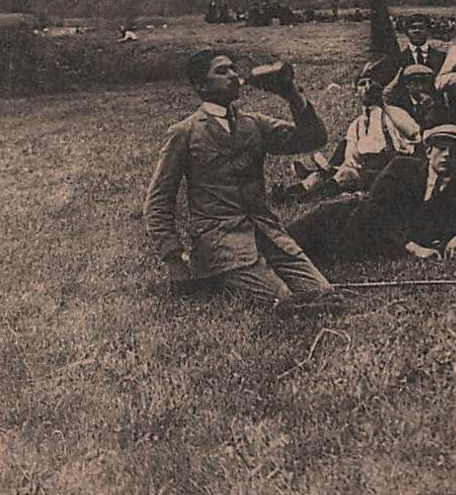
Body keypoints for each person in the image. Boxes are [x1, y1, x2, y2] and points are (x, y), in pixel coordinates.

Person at [143, 49, 337, 307]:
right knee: (286, 301)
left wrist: (291, 94)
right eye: (222, 71)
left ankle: (248, 274)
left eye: (233, 68)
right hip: (219, 244)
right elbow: (158, 202)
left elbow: (314, 139)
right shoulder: (185, 133)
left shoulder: (254, 124)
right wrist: (174, 261)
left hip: (268, 235)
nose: (234, 75)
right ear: (201, 86)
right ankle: (218, 277)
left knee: (324, 292)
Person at [291, 125, 456, 263]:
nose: (447, 155)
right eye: (441, 149)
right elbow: (375, 211)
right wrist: (413, 248)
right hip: (339, 222)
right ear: (429, 152)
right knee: (282, 248)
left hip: (368, 247)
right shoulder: (402, 167)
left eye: (455, 152)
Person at [329, 60, 423, 190]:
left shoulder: (394, 113)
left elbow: (415, 135)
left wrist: (382, 104)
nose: (368, 87)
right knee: (340, 175)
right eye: (362, 84)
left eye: (372, 83)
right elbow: (352, 160)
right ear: (356, 92)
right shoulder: (355, 125)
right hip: (367, 174)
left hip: (394, 172)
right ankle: (302, 193)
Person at [385, 63, 451, 129]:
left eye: (423, 83)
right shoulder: (399, 104)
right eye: (416, 84)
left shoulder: (435, 103)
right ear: (407, 85)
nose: (420, 88)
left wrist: (430, 108)